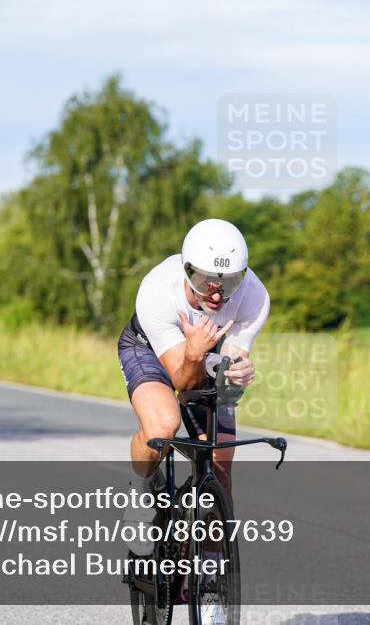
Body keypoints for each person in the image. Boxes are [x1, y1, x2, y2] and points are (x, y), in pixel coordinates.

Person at [117, 218, 269, 624]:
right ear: (187, 269)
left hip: (206, 355)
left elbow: (229, 362)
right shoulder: (157, 291)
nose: (217, 293)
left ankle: (210, 582)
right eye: (205, 281)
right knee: (163, 427)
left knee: (220, 466)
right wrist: (194, 352)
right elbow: (182, 381)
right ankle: (140, 494)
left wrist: (236, 371)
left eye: (229, 282)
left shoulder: (254, 296)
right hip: (151, 351)